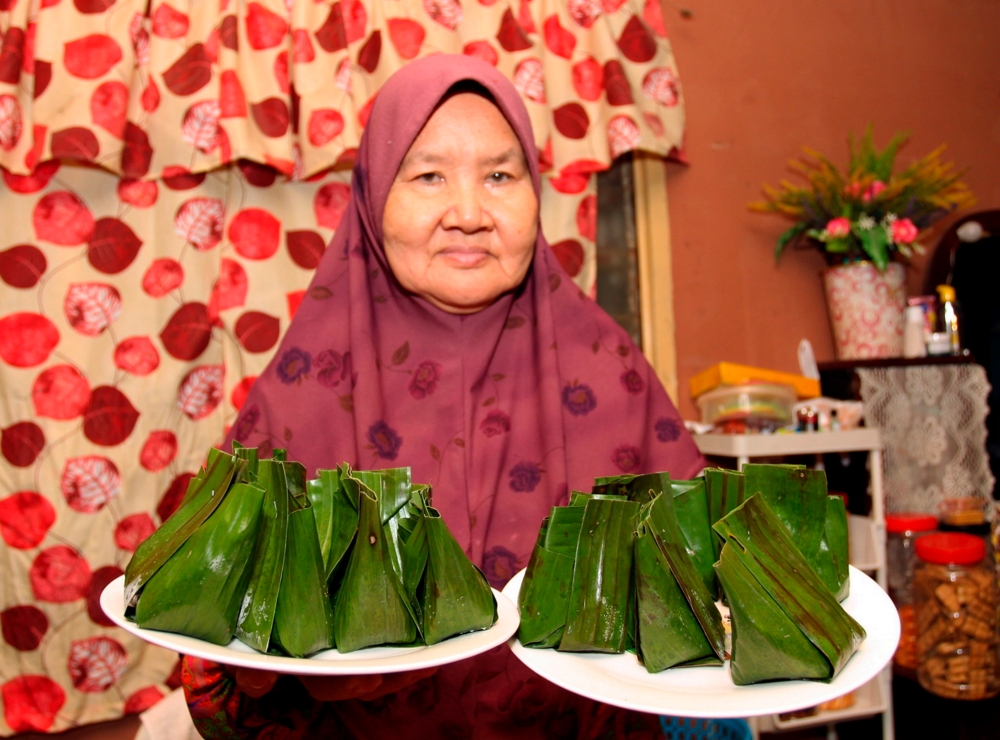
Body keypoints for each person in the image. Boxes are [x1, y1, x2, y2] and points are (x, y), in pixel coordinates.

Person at [182, 54, 706, 739]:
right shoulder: (304, 385)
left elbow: (701, 594)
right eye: (429, 176)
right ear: (373, 196)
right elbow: (212, 655)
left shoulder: (609, 372)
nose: (468, 214)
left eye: (499, 176)